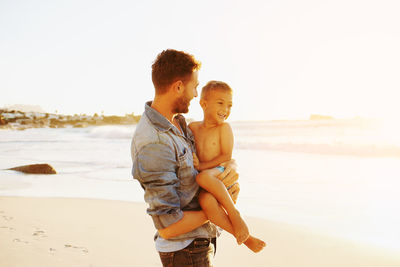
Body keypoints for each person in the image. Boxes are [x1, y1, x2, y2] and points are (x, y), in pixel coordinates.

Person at [131, 49, 240, 267]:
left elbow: (205, 163)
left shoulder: (179, 123)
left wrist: (230, 165)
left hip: (197, 241)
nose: (196, 94)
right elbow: (167, 226)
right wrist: (215, 211)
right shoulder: (154, 142)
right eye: (195, 87)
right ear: (179, 86)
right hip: (185, 250)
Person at [189, 81, 266, 253]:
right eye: (220, 103)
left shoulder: (224, 128)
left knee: (202, 176)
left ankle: (234, 213)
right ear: (203, 104)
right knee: (205, 201)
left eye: (229, 105)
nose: (226, 109)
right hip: (207, 182)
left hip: (220, 172)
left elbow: (225, 156)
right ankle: (246, 239)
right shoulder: (193, 127)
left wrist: (201, 166)